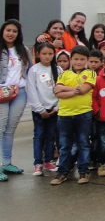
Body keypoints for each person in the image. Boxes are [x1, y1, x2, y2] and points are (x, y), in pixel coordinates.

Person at [50, 45, 96, 185]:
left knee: (83, 143)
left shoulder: (90, 74)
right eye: (76, 59)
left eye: (82, 59)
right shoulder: (64, 74)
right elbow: (57, 93)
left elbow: (84, 90)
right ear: (71, 59)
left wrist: (64, 89)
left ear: (87, 60)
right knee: (64, 145)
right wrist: (70, 90)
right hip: (64, 115)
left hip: (83, 114)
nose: (78, 62)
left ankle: (83, 171)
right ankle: (62, 172)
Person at [0, 19, 32, 181]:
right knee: (0, 127)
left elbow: (30, 71)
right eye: (8, 30)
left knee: (10, 129)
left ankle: (6, 162)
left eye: (14, 31)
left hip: (19, 92)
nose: (11, 33)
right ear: (3, 31)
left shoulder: (24, 50)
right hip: (1, 92)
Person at [26, 41, 60, 176]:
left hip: (54, 109)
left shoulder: (58, 70)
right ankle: (38, 163)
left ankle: (48, 160)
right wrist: (40, 109)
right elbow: (32, 91)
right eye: (44, 54)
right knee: (39, 136)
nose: (47, 56)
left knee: (51, 136)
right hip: (39, 111)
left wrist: (57, 107)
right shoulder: (34, 70)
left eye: (50, 54)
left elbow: (60, 90)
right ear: (38, 54)